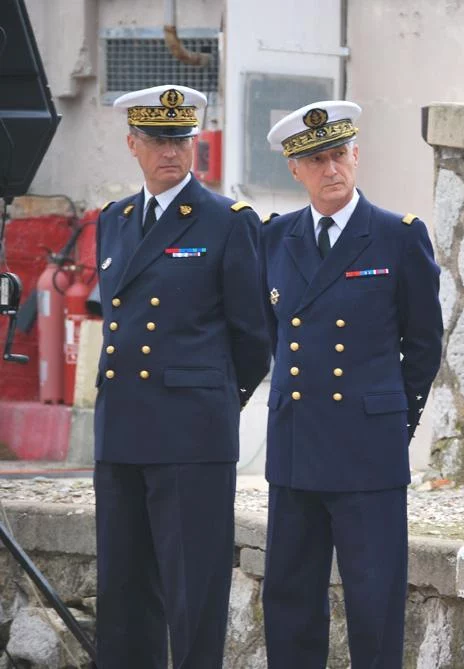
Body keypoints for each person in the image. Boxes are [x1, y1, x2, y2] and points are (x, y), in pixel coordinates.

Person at [259, 100, 443, 668]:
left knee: (375, 602)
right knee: (289, 600)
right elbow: (272, 331)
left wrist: (392, 421)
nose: (330, 168)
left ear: (356, 156)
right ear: (295, 169)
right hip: (295, 449)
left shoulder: (396, 236)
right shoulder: (275, 237)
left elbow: (424, 346)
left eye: (338, 154)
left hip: (368, 453)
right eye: (315, 159)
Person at [93, 84, 271, 668]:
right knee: (122, 592)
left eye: (181, 139)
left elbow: (254, 338)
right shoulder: (113, 221)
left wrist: (213, 400)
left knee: (194, 596)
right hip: (121, 431)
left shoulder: (227, 221)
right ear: (133, 144)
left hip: (192, 437)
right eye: (157, 140)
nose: (172, 151)